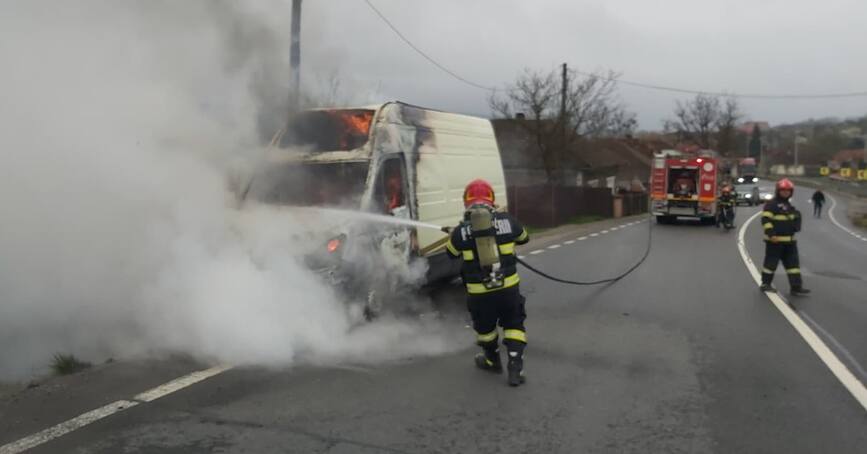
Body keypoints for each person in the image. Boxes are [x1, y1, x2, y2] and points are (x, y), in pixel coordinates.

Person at [445, 179, 530, 386]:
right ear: (492, 199)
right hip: (508, 288)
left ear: (466, 202)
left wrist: (455, 233)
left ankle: (492, 360)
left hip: (479, 294)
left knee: (485, 329)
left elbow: (451, 253)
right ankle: (515, 367)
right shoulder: (508, 220)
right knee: (514, 324)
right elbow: (524, 238)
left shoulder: (461, 231)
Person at [760, 178, 810, 295]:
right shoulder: (771, 204)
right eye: (783, 190)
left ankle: (796, 287)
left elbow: (793, 224)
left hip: (790, 243)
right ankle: (765, 284)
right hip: (775, 242)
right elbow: (765, 220)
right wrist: (771, 234)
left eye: (788, 190)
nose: (786, 192)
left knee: (793, 266)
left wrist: (796, 218)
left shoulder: (789, 206)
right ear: (778, 191)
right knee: (770, 264)